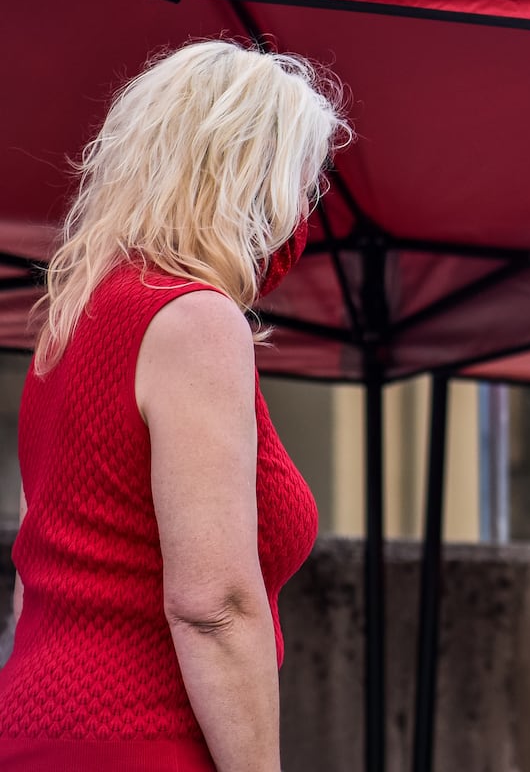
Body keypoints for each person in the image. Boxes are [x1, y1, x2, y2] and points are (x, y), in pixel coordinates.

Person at [0, 40, 350, 771]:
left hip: (35, 719)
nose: (303, 209)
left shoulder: (70, 321)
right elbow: (213, 604)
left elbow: (42, 564)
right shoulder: (193, 319)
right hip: (141, 733)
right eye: (301, 182)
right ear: (249, 179)